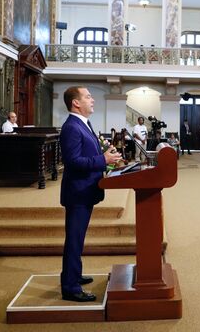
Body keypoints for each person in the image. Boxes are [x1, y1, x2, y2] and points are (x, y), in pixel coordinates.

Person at [59, 86, 122, 302]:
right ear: (76, 103)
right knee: (74, 240)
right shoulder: (71, 127)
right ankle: (70, 287)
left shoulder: (83, 124)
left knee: (78, 238)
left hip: (86, 190)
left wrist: (106, 156)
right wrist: (103, 160)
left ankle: (74, 275)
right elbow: (73, 162)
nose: (92, 100)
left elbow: (88, 153)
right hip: (78, 193)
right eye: (88, 97)